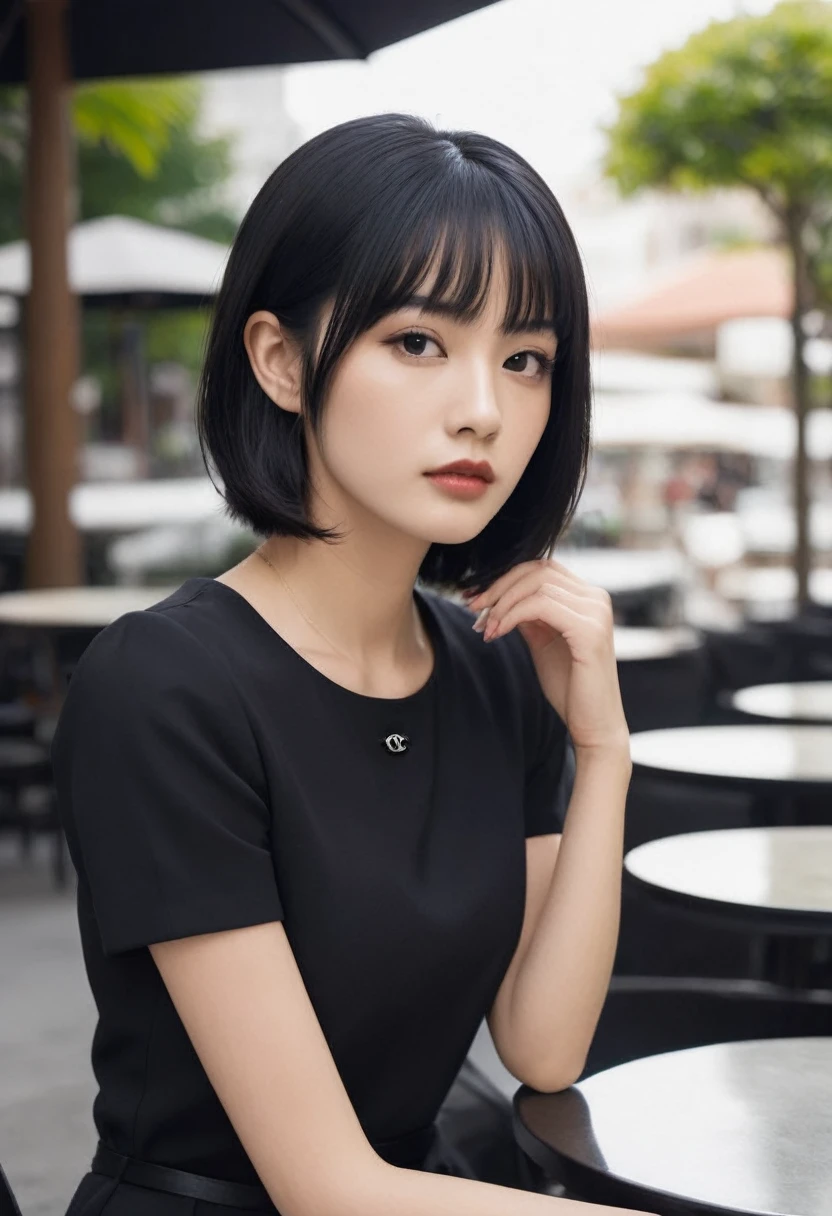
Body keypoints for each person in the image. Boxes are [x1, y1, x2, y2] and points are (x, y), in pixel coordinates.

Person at [52, 113, 638, 1216]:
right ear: (280, 360)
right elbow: (323, 1184)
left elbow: (542, 1046)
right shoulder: (166, 688)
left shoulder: (494, 667)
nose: (483, 409)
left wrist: (602, 751)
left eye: (526, 359)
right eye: (418, 341)